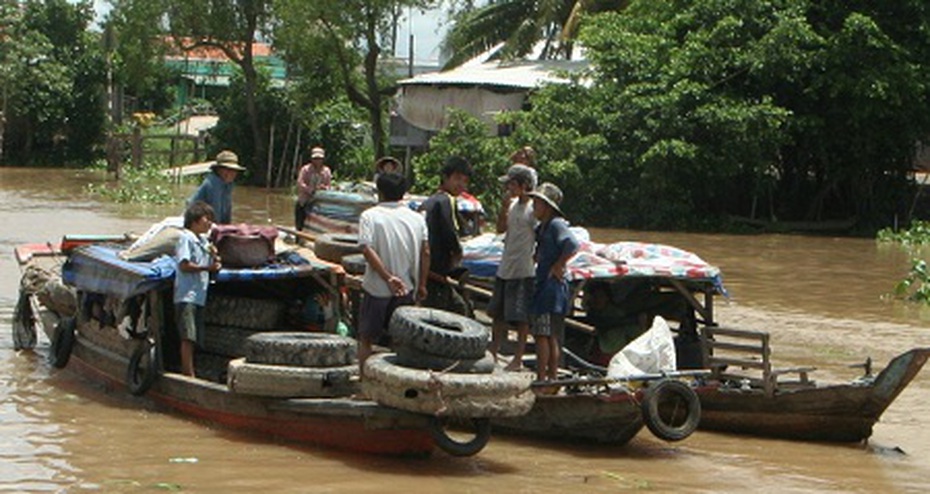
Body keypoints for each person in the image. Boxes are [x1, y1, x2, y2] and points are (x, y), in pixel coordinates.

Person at [357, 172, 430, 374]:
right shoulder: (417, 218)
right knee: (399, 340)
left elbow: (365, 248)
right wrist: (422, 284)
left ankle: (364, 383)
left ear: (379, 192)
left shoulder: (369, 216)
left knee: (366, 339)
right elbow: (426, 251)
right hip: (407, 289)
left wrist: (388, 277)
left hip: (377, 288)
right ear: (403, 193)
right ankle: (395, 382)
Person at [528, 182, 580, 383]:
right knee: (549, 336)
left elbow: (572, 245)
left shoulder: (556, 225)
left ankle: (544, 379)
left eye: (537, 203)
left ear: (547, 206)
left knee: (543, 335)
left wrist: (559, 264)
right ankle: (551, 378)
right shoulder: (543, 228)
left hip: (551, 288)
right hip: (548, 287)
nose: (533, 207)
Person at [488, 164, 537, 370]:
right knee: (497, 314)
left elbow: (540, 235)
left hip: (522, 269)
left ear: (524, 185)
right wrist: (503, 207)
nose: (509, 188)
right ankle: (493, 352)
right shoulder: (512, 205)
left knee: (520, 317)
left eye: (512, 184)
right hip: (505, 267)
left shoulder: (533, 209)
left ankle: (517, 358)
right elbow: (500, 229)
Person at [420, 156, 472, 316]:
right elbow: (450, 233)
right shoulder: (446, 201)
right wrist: (457, 254)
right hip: (436, 273)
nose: (461, 185)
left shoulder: (428, 202)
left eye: (465, 181)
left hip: (424, 270)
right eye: (457, 179)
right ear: (445, 177)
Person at [175, 201, 222, 377]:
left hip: (199, 295)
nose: (209, 223)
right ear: (194, 220)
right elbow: (184, 265)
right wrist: (207, 269)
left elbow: (212, 263)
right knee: (188, 336)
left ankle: (191, 370)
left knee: (195, 337)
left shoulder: (203, 241)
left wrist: (215, 259)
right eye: (206, 218)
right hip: (187, 295)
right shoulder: (185, 238)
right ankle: (188, 374)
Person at [188, 150, 244, 225]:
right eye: (227, 169)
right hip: (196, 221)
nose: (231, 173)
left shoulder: (228, 184)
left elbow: (227, 211)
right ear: (218, 169)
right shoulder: (213, 183)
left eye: (234, 170)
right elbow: (215, 213)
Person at [295, 146, 333, 231]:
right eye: (315, 158)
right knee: (300, 225)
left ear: (323, 159)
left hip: (319, 203)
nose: (317, 161)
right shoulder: (305, 169)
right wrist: (310, 190)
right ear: (312, 159)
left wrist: (324, 188)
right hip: (304, 201)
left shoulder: (326, 171)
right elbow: (300, 183)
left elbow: (329, 186)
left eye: (319, 158)